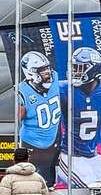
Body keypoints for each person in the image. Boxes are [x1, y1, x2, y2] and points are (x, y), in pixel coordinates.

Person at [58, 47, 101, 187]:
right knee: (91, 186)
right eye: (74, 67)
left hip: (94, 155)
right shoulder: (63, 89)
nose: (74, 72)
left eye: (79, 68)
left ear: (94, 70)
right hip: (70, 156)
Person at [18, 51, 61, 184]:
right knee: (30, 182)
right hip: (32, 144)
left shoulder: (55, 78)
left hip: (53, 140)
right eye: (42, 70)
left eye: (47, 68)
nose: (47, 72)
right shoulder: (22, 92)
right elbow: (17, 120)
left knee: (50, 182)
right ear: (31, 72)